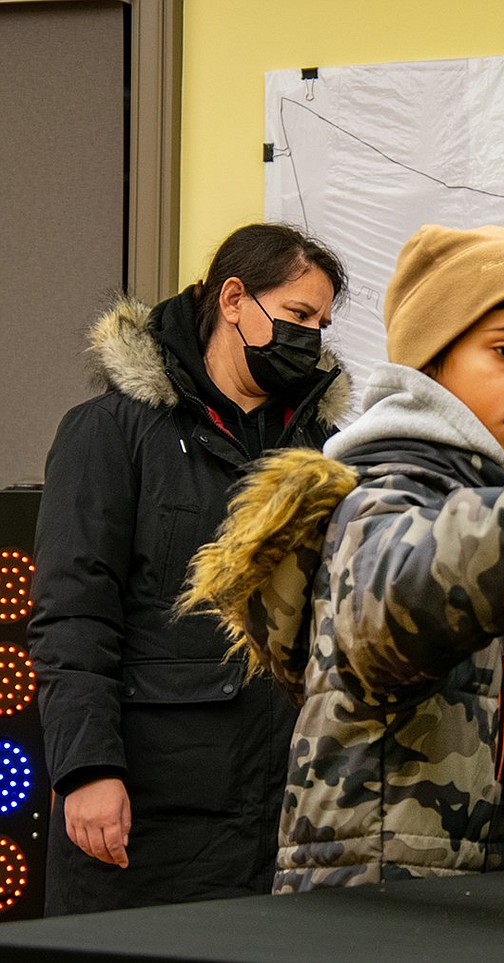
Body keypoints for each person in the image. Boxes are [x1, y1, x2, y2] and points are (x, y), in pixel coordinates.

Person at [180, 224, 504, 892]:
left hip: (488, 910)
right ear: (430, 357)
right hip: (375, 918)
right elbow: (419, 587)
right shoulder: (378, 495)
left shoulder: (500, 501)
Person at [27, 222, 352, 914]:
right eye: (298, 315)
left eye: (321, 323)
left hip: (281, 817)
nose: (312, 336)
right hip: (146, 816)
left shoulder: (326, 455)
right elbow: (73, 615)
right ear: (233, 299)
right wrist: (89, 768)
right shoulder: (109, 431)